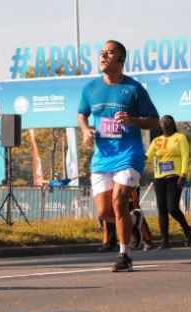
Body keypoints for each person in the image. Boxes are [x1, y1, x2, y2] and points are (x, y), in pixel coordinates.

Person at [77, 40, 160, 272]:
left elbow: (154, 120)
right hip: (102, 157)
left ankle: (125, 256)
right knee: (105, 212)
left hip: (129, 154)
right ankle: (134, 221)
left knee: (119, 202)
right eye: (101, 53)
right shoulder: (91, 88)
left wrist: (133, 121)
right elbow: (81, 114)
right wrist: (85, 130)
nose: (103, 57)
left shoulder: (133, 89)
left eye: (109, 53)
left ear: (121, 60)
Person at [145, 115, 191, 250]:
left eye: (167, 121)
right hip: (159, 177)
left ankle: (187, 229)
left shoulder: (180, 137)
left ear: (172, 124)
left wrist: (183, 174)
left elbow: (185, 156)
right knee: (162, 210)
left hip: (175, 176)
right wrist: (136, 157)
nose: (164, 123)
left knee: (172, 208)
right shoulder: (156, 140)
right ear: (160, 125)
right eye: (162, 121)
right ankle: (165, 241)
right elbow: (148, 157)